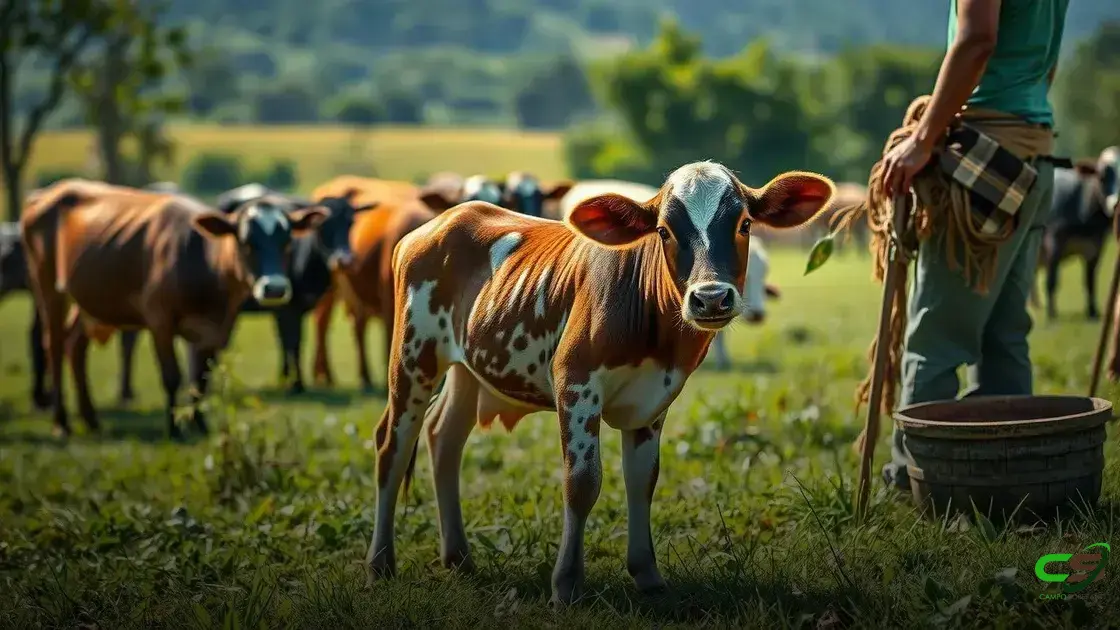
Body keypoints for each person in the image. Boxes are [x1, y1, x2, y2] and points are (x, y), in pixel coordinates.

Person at [878, 0, 1070, 490]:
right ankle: (1007, 474)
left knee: (935, 337)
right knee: (1005, 333)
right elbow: (1043, 63)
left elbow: (977, 40)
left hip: (983, 162)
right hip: (1034, 153)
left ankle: (915, 479)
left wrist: (924, 138)